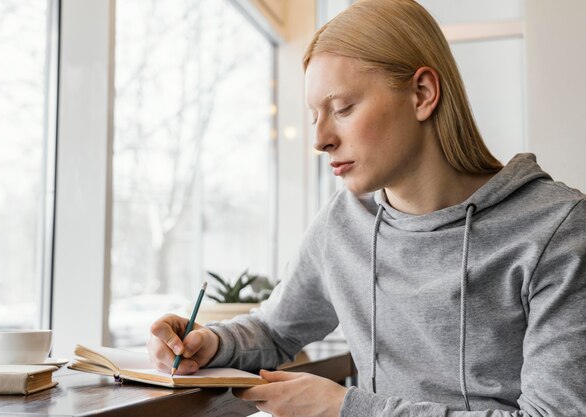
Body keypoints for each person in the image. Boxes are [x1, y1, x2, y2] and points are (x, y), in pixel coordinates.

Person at [148, 0, 586, 415]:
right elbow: (275, 329)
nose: (320, 140)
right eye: (315, 115)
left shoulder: (556, 231)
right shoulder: (345, 221)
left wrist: (344, 408)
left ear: (421, 94)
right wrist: (210, 342)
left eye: (342, 108)